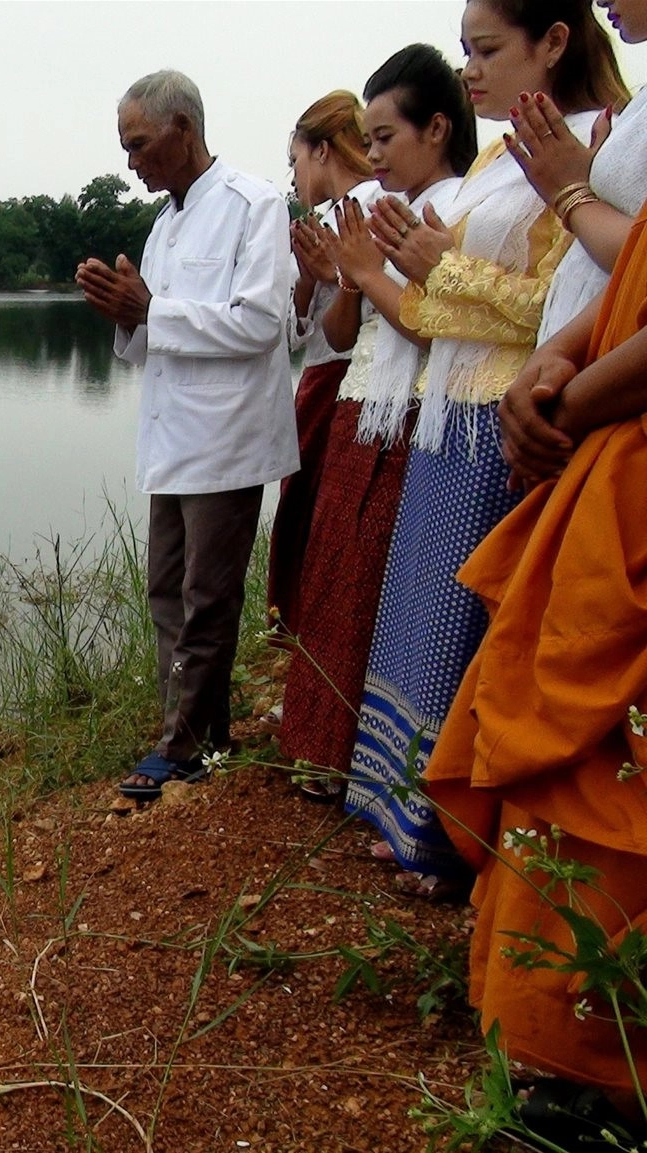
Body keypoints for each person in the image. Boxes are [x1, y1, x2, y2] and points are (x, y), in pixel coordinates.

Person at [339, 0, 627, 891]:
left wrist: (435, 267)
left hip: (510, 401)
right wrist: (396, 277)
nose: (470, 70)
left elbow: (563, 303)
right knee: (422, 613)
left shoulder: (590, 145)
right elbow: (441, 311)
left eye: (487, 48)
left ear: (553, 43)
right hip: (448, 405)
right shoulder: (505, 155)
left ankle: (448, 834)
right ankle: (397, 805)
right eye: (464, 50)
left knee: (469, 626)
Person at [425, 191, 647, 1142]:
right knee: (566, 767)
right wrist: (558, 363)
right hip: (600, 439)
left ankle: (602, 1068)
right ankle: (552, 1038)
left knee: (613, 763)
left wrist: (566, 399)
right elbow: (627, 279)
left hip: (615, 443)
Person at [76, 70, 298, 800]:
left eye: (138, 145)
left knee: (208, 594)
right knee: (165, 589)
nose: (131, 161)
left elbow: (263, 322)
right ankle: (197, 729)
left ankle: (187, 743)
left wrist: (153, 310)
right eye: (124, 147)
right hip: (172, 440)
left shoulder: (254, 204)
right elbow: (151, 336)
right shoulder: (165, 224)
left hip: (228, 438)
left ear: (183, 129)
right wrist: (127, 317)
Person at [279, 45, 474, 796]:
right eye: (370, 138)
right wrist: (340, 279)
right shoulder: (386, 211)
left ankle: (358, 756)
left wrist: (361, 271)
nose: (374, 154)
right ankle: (320, 742)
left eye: (385, 138)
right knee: (333, 568)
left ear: (436, 129)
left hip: (413, 412)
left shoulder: (456, 207)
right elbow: (339, 332)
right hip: (364, 399)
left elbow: (436, 327)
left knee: (369, 579)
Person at [265, 91, 379, 653]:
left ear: (323, 150)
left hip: (352, 382)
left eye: (295, 160)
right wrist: (311, 279)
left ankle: (320, 648)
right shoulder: (317, 222)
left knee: (323, 518)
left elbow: (377, 302)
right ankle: (305, 648)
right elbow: (294, 329)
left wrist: (332, 272)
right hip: (321, 377)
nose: (294, 175)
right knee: (304, 510)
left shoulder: (373, 203)